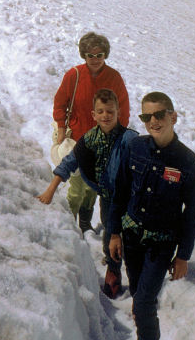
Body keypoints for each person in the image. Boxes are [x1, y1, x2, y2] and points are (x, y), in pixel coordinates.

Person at [109, 91, 195, 340]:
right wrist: (114, 233)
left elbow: (191, 214)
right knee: (138, 294)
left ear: (173, 117)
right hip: (133, 238)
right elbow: (119, 191)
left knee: (145, 302)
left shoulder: (189, 163)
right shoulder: (135, 147)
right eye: (146, 117)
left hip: (161, 246)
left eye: (159, 115)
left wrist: (183, 256)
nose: (153, 122)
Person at [39, 88, 137, 297]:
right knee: (111, 233)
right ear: (93, 115)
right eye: (100, 111)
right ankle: (113, 270)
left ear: (118, 112)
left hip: (132, 199)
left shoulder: (130, 139)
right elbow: (70, 162)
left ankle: (139, 280)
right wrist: (51, 189)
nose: (105, 116)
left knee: (133, 238)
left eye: (110, 111)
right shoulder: (90, 139)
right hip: (109, 199)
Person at [52, 32, 129, 232]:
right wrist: (61, 129)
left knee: (93, 187)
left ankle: (85, 222)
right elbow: (60, 103)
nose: (95, 60)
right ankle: (71, 219)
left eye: (99, 55)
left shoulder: (114, 78)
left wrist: (116, 138)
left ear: (106, 55)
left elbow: (124, 110)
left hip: (103, 141)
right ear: (83, 55)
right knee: (76, 186)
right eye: (90, 55)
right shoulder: (74, 75)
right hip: (78, 140)